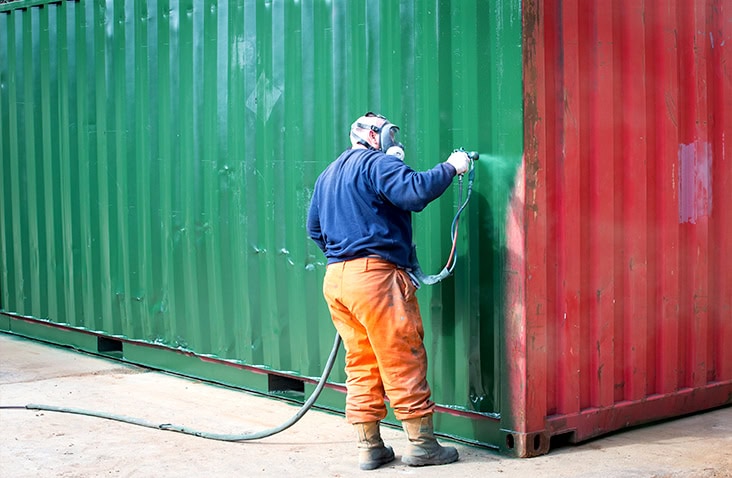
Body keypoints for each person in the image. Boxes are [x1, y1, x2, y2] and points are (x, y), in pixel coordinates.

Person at [306, 112, 470, 470]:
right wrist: (452, 166)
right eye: (390, 132)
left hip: (337, 280)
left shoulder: (328, 174)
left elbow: (314, 230)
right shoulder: (375, 164)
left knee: (361, 363)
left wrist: (347, 258)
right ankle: (423, 445)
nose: (395, 139)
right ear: (372, 136)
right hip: (375, 279)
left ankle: (370, 447)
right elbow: (415, 192)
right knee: (402, 357)